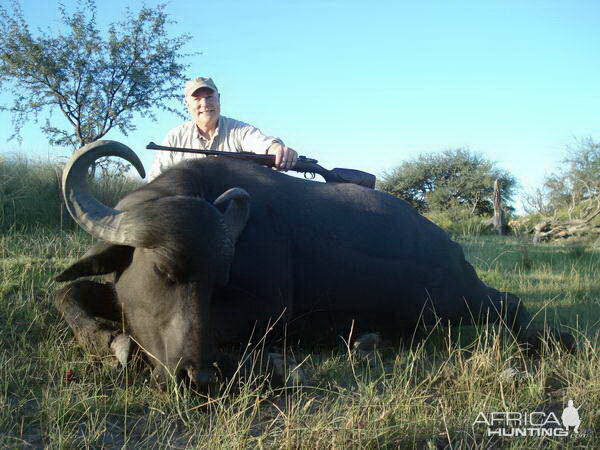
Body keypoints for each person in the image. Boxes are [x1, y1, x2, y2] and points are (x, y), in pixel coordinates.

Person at [148, 77, 298, 181]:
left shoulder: (238, 130)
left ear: (218, 98)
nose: (204, 104)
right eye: (197, 99)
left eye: (209, 97)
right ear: (187, 105)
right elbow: (155, 181)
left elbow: (260, 142)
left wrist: (276, 149)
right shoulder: (174, 138)